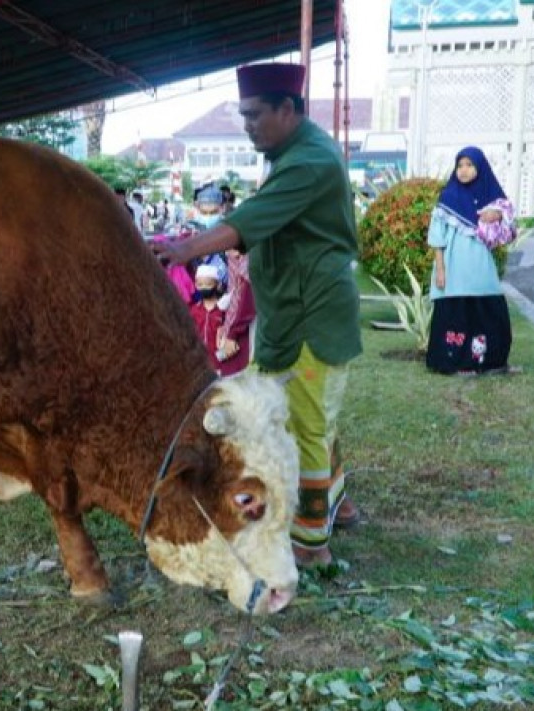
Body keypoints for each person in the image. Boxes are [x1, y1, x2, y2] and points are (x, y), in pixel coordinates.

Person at [151, 62, 362, 567]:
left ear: (287, 110)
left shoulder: (307, 161)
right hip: (292, 313)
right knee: (305, 420)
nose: (247, 125)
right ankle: (338, 508)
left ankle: (311, 546)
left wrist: (183, 250)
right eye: (243, 115)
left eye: (254, 115)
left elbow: (248, 222)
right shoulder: (295, 152)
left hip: (311, 316)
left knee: (305, 427)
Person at [425, 148, 516, 375]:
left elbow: (508, 227)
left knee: (488, 310)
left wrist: (497, 214)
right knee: (455, 314)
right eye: (460, 165)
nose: (464, 170)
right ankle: (455, 362)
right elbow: (437, 238)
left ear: (480, 168)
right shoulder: (449, 197)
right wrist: (440, 270)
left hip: (480, 268)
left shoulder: (490, 199)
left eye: (469, 165)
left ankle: (490, 362)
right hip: (454, 268)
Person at [189, 264, 253, 376]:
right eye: (200, 284)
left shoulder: (224, 310)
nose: (204, 287)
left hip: (219, 363)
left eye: (208, 284)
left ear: (217, 285)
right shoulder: (194, 310)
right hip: (199, 364)